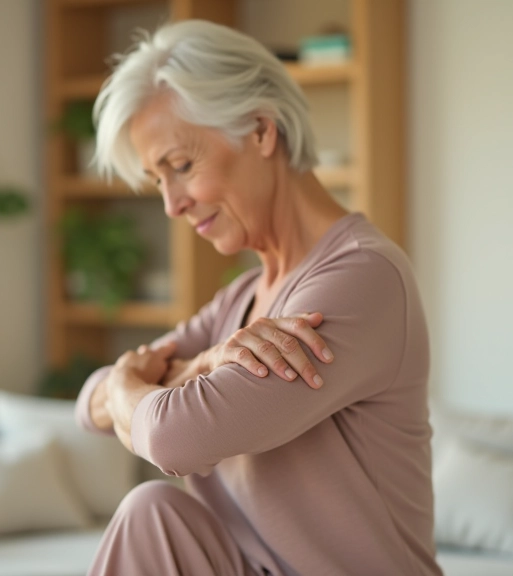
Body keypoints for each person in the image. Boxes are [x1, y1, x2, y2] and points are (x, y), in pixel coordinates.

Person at [73, 19, 441, 576]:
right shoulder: (241, 299)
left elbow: (173, 437)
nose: (171, 204)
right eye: (157, 180)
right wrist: (198, 364)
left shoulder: (362, 278)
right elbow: (89, 406)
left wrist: (132, 384)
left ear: (261, 131)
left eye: (181, 166)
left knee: (151, 504)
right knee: (154, 514)